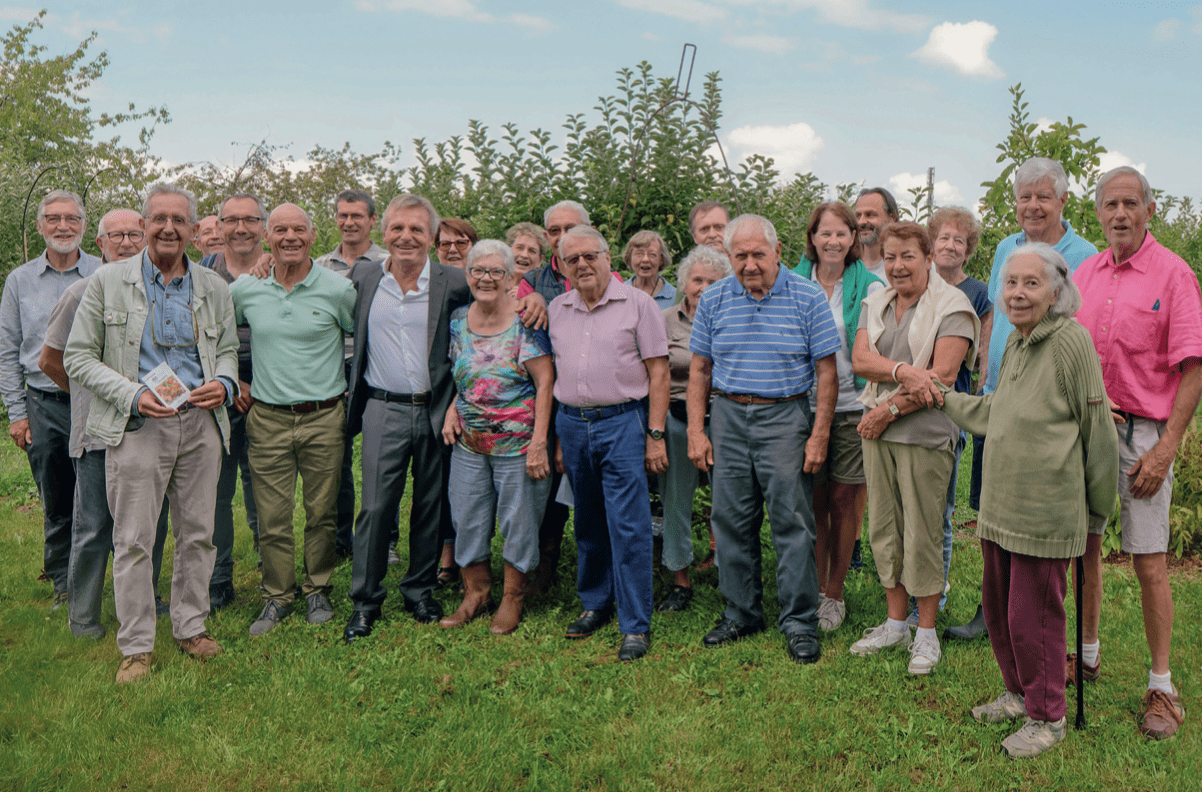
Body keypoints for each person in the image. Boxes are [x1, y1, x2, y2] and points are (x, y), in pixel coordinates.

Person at [916, 243, 1118, 757]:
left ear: (1056, 290)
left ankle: (1048, 719)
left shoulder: (1070, 341)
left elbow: (1097, 431)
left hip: (1045, 514)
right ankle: (1017, 695)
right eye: (1011, 284)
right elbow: (994, 414)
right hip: (1000, 509)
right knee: (1002, 612)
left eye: (1032, 283)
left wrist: (1096, 514)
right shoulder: (1018, 344)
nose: (1019, 293)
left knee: (1036, 618)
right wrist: (943, 396)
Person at [341, 194, 546, 641]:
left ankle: (419, 590)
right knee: (376, 507)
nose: (406, 237)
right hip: (381, 406)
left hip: (437, 412)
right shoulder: (363, 274)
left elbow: (509, 290)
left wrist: (539, 303)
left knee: (432, 507)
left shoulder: (454, 279)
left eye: (417, 229)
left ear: (432, 236)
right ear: (383, 233)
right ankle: (365, 600)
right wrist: (263, 265)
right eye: (397, 228)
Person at [64, 182, 240, 683]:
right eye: (158, 219)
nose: (168, 228)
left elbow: (226, 348)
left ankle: (190, 627)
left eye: (178, 220)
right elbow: (78, 356)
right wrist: (130, 394)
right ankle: (137, 646)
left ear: (191, 229)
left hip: (201, 424)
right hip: (139, 423)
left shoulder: (213, 287)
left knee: (198, 533)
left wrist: (224, 383)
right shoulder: (109, 283)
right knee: (135, 539)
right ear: (143, 226)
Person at [1073, 166, 1202, 740]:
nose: (1120, 214)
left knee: (1149, 560)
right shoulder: (1085, 271)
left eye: (1130, 203)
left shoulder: (1174, 274)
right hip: (1090, 430)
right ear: (1097, 213)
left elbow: (1193, 368)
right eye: (1110, 204)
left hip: (1146, 434)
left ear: (1150, 210)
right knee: (1086, 547)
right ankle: (1088, 653)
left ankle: (1161, 686)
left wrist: (1166, 448)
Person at [949, 158, 1099, 642]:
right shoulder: (1005, 248)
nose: (1032, 206)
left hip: (1047, 404)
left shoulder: (1084, 253)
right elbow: (996, 312)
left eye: (1042, 196)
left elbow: (1087, 334)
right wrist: (984, 369)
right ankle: (995, 609)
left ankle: (1042, 615)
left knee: (1036, 519)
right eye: (1024, 197)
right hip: (999, 394)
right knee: (991, 509)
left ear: (1063, 201)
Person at [688, 213, 839, 665]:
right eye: (740, 256)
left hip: (785, 415)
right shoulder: (714, 298)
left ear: (777, 251)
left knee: (792, 521)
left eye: (758, 254)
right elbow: (699, 369)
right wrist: (697, 431)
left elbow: (826, 372)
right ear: (728, 257)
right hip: (729, 415)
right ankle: (741, 612)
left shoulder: (808, 296)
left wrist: (819, 434)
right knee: (729, 517)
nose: (750, 264)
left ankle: (799, 621)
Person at [849, 221, 978, 676]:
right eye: (890, 256)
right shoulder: (877, 301)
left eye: (908, 256)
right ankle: (894, 623)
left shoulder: (954, 308)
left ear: (928, 259)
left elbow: (939, 379)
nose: (898, 265)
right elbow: (861, 359)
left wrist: (886, 410)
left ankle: (926, 633)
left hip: (923, 434)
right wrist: (904, 371)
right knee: (884, 528)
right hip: (877, 435)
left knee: (923, 532)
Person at [231, 204, 356, 636]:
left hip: (323, 416)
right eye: (280, 230)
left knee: (322, 511)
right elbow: (216, 335)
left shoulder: (338, 289)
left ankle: (317, 587)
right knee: (272, 514)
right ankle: (276, 595)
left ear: (313, 234)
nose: (289, 237)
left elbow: (368, 337)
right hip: (266, 417)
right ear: (267, 237)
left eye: (298, 229)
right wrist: (236, 382)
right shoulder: (247, 290)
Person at [37, 207, 161, 639]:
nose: (126, 243)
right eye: (116, 236)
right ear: (100, 244)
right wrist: (89, 398)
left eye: (134, 234)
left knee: (148, 524)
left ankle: (148, 602)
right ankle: (84, 617)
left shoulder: (156, 291)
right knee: (93, 527)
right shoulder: (82, 293)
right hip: (96, 435)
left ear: (145, 239)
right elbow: (50, 360)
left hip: (147, 430)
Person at [549, 225, 669, 661]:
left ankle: (635, 625)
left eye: (589, 256)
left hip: (622, 422)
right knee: (589, 520)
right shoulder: (557, 308)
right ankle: (595, 602)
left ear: (606, 258)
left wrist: (654, 435)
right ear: (562, 267)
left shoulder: (638, 305)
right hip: (573, 425)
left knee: (630, 524)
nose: (582, 264)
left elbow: (659, 372)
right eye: (572, 259)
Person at [439, 240, 554, 635]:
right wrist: (455, 406)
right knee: (467, 516)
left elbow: (545, 382)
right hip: (469, 443)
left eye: (496, 272)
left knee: (518, 522)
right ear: (467, 275)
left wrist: (539, 442)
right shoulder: (457, 319)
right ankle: (476, 593)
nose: (486, 279)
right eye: (478, 271)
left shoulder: (526, 321)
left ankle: (512, 598)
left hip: (518, 445)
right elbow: (465, 374)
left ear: (511, 279)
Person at [0, 190, 100, 608]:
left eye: (72, 219)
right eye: (54, 219)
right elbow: (8, 349)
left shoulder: (103, 272)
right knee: (57, 497)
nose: (63, 226)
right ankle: (63, 582)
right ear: (41, 226)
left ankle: (109, 574)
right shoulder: (20, 281)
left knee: (101, 495)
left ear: (84, 225)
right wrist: (17, 414)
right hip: (44, 404)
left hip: (95, 401)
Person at [791, 202, 883, 631]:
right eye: (824, 233)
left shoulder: (869, 284)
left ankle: (834, 592)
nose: (833, 241)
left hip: (851, 407)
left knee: (845, 501)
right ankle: (809, 585)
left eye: (841, 234)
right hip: (800, 407)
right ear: (812, 238)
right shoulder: (791, 282)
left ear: (853, 239)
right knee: (812, 501)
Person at [314, 189, 389, 561]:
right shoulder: (320, 265)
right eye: (342, 215)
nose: (349, 222)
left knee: (379, 457)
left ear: (372, 220)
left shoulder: (391, 262)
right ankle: (342, 539)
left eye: (357, 216)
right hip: (333, 368)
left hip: (377, 368)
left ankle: (384, 539)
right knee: (336, 456)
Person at [656, 245, 731, 612]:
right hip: (676, 419)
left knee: (729, 501)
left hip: (724, 418)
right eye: (697, 279)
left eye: (712, 281)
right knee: (675, 501)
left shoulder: (734, 316)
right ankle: (679, 579)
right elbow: (654, 374)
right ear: (684, 283)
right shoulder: (664, 320)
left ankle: (729, 574)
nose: (703, 287)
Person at [926, 207, 993, 618]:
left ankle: (936, 596)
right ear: (931, 242)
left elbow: (982, 354)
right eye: (944, 237)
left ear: (968, 250)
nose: (950, 245)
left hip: (949, 408)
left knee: (940, 511)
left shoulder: (979, 293)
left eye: (959, 240)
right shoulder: (913, 280)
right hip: (903, 403)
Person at [202, 193, 266, 608]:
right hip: (216, 392)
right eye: (232, 220)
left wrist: (254, 383)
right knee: (215, 491)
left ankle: (271, 569)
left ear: (262, 225)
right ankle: (219, 576)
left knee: (264, 489)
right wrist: (231, 381)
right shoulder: (200, 273)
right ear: (218, 226)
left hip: (268, 391)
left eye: (250, 220)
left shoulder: (279, 270)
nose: (241, 228)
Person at [854, 188, 899, 281]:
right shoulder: (847, 268)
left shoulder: (903, 269)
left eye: (870, 214)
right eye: (858, 216)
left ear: (892, 218)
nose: (861, 222)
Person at [623, 230, 676, 309]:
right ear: (629, 258)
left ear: (661, 260)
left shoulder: (675, 298)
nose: (645, 259)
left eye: (652, 254)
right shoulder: (619, 295)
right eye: (639, 254)